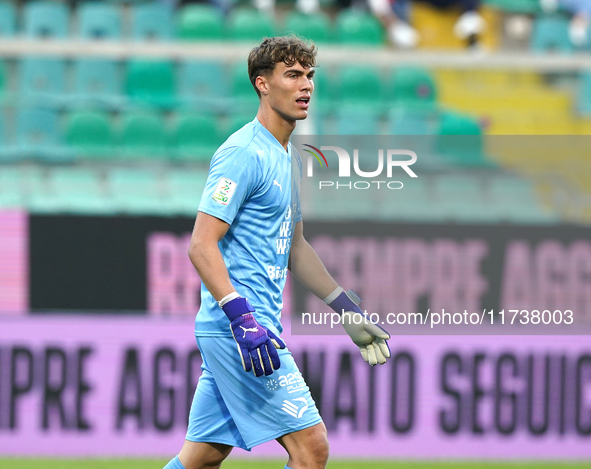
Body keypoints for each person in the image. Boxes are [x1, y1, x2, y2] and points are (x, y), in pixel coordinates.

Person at [163, 36, 391, 469]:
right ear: (262, 84)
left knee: (202, 457)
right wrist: (241, 318)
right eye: (292, 75)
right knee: (312, 447)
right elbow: (201, 243)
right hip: (242, 330)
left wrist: (345, 308)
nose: (305, 86)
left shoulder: (289, 157)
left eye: (309, 76)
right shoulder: (242, 153)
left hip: (249, 327)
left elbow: (295, 246)